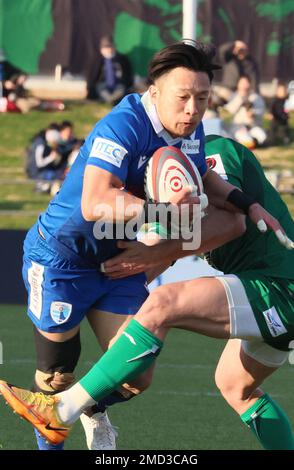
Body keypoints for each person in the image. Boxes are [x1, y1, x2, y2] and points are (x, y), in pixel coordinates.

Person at [0, 41, 291, 450]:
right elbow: (95, 201)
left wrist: (248, 202)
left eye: (203, 99)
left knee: (137, 376)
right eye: (184, 97)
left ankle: (89, 406)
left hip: (119, 261)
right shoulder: (125, 124)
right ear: (154, 92)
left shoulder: (193, 129)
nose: (193, 109)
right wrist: (162, 211)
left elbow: (206, 180)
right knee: (56, 375)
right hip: (62, 258)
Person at [86, 35, 133, 104]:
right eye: (105, 47)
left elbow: (128, 76)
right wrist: (89, 88)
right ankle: (111, 100)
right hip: (102, 85)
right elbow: (92, 76)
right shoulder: (96, 60)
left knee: (121, 90)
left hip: (118, 85)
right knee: (101, 89)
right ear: (101, 49)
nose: (108, 50)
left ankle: (111, 99)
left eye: (110, 47)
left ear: (114, 47)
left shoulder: (123, 59)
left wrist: (128, 85)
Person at [225, 76, 267, 148]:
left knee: (263, 137)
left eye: (246, 82)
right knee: (246, 139)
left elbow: (261, 110)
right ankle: (246, 143)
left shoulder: (255, 97)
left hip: (252, 126)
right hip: (238, 127)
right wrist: (240, 98)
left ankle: (252, 142)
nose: (244, 85)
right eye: (242, 83)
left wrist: (253, 113)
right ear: (238, 84)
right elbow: (228, 111)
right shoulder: (233, 96)